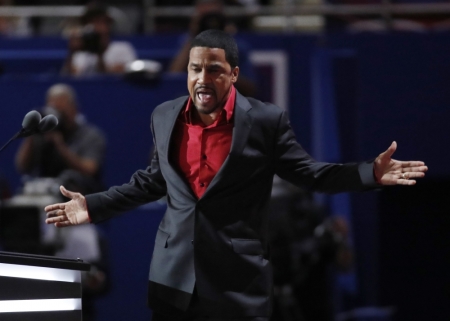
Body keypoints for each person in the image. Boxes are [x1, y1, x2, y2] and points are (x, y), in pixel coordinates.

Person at [45, 29, 427, 321]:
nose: (202, 78)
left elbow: (310, 174)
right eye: (195, 69)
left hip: (237, 280)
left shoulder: (264, 120)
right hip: (173, 276)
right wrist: (91, 207)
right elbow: (150, 182)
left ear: (233, 74)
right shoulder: (164, 116)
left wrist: (369, 173)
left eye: (214, 69)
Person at [15, 83, 106, 195]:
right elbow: (22, 167)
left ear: (74, 109)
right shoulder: (44, 135)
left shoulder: (90, 135)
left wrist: (60, 145)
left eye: (61, 110)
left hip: (81, 196)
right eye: (53, 110)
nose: (57, 116)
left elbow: (89, 169)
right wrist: (32, 134)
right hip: (46, 194)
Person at [169, 0, 257, 97]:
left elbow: (250, 89)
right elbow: (173, 77)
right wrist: (194, 38)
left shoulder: (237, 45)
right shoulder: (186, 42)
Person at [62, 2, 137, 76]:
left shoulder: (123, 48)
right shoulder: (80, 54)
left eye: (100, 22)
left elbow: (112, 79)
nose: (96, 27)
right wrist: (71, 53)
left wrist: (100, 55)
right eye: (91, 22)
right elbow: (72, 78)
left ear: (108, 25)